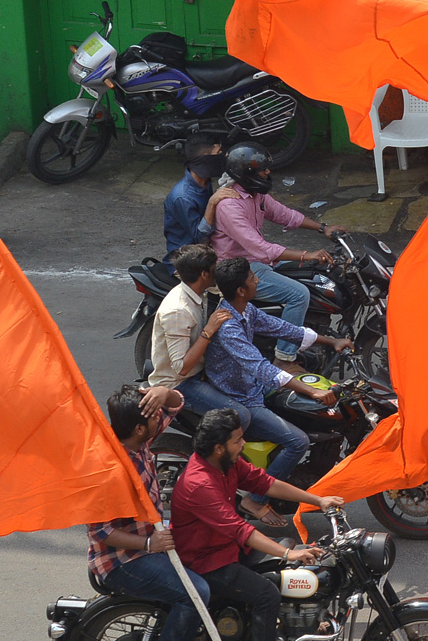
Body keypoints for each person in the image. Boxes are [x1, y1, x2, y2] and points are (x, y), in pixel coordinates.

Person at [170, 407, 343, 641]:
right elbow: (241, 529)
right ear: (218, 447)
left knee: (288, 563)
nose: (243, 445)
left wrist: (318, 499)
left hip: (227, 549)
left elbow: (266, 483)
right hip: (205, 562)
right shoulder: (200, 482)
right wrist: (290, 553)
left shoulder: (226, 464)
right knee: (266, 593)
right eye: (238, 440)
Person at [205, 256, 353, 524]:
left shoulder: (245, 310)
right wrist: (313, 393)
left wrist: (332, 341)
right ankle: (256, 499)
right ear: (241, 289)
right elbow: (264, 369)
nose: (257, 280)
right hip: (243, 397)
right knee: (298, 441)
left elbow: (282, 327)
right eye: (252, 278)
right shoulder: (228, 327)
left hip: (255, 387)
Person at [89, 385, 210, 641]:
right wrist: (149, 545)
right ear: (141, 428)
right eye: (154, 418)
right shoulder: (112, 469)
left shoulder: (139, 442)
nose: (161, 421)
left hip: (151, 542)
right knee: (196, 593)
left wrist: (160, 392)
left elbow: (176, 404)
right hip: (123, 560)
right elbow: (100, 531)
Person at [211, 142, 346, 361]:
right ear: (246, 174)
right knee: (298, 294)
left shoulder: (255, 194)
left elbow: (285, 215)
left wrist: (323, 228)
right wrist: (306, 254)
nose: (267, 172)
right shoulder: (229, 205)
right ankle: (285, 358)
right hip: (240, 268)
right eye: (261, 169)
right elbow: (260, 248)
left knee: (315, 272)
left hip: (258, 261)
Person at [147, 243, 251, 428]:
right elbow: (181, 368)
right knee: (240, 416)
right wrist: (208, 331)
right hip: (179, 384)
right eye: (213, 269)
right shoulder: (178, 310)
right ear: (204, 275)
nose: (216, 273)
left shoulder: (197, 292)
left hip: (198, 371)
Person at [162, 134, 234, 259]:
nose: (223, 156)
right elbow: (199, 238)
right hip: (187, 262)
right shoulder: (183, 197)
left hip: (206, 252)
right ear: (205, 158)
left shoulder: (205, 182)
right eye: (219, 152)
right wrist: (212, 204)